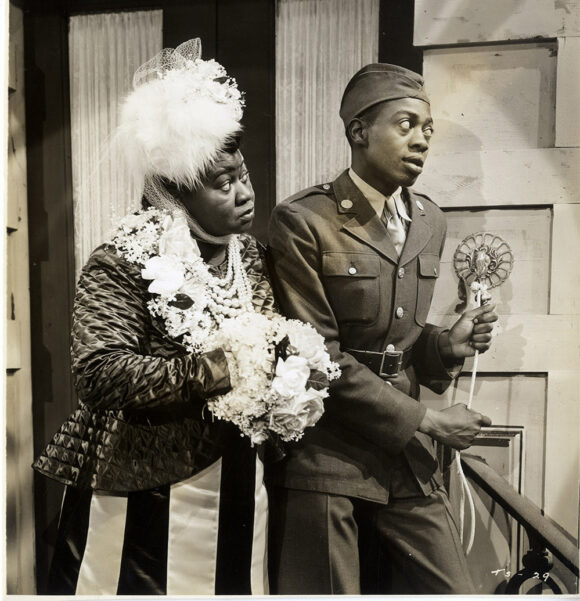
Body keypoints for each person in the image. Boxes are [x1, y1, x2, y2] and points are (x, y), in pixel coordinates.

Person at [33, 39, 274, 596]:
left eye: (243, 173)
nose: (244, 193)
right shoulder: (122, 260)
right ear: (175, 194)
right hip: (144, 489)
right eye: (223, 183)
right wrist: (212, 371)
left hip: (239, 480)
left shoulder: (252, 257)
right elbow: (99, 371)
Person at [266, 63, 499, 594]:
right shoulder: (305, 221)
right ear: (358, 132)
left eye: (428, 129)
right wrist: (430, 422)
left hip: (404, 455)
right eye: (405, 124)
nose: (421, 140)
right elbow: (318, 359)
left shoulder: (429, 222)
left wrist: (446, 345)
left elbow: (400, 341)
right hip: (328, 454)